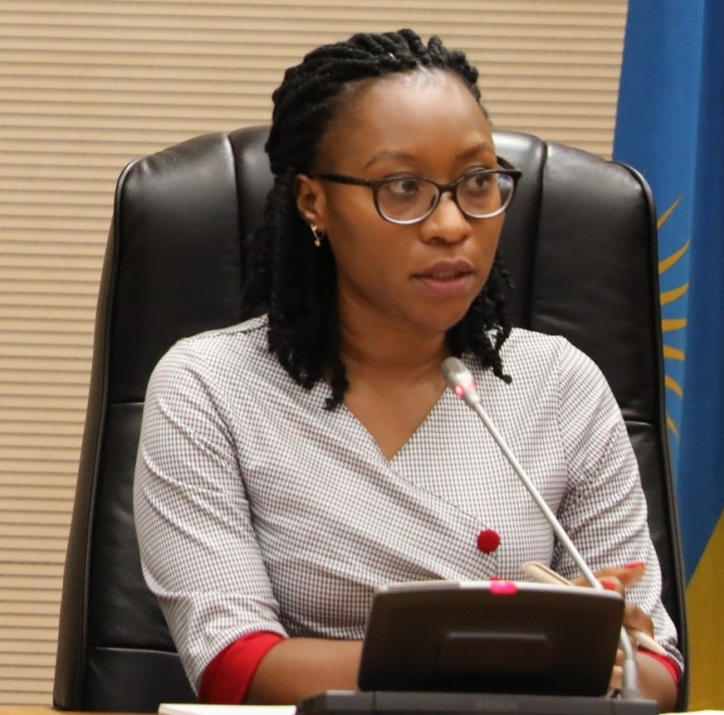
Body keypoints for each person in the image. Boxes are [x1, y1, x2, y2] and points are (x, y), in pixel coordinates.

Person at [133, 28, 682, 710]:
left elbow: (654, 667)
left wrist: (618, 652)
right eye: (402, 187)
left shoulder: (560, 386)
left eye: (478, 182)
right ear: (313, 201)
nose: (452, 224)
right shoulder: (211, 387)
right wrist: (525, 650)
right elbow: (234, 663)